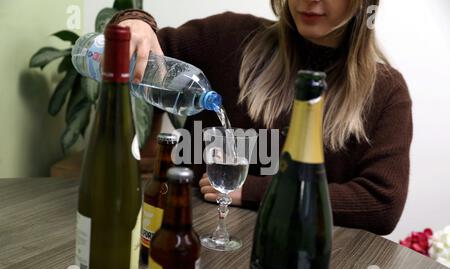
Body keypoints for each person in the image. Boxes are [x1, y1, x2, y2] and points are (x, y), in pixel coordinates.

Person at [109, 0, 413, 235]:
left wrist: (258, 190)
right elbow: (146, 54)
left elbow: (382, 204)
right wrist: (135, 24)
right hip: (191, 250)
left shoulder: (385, 91)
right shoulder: (229, 37)